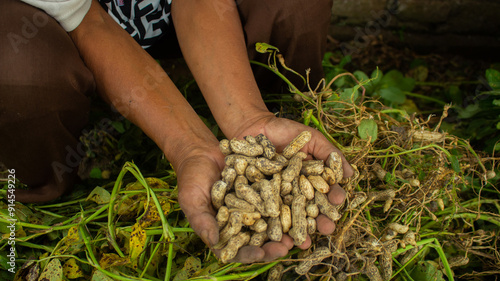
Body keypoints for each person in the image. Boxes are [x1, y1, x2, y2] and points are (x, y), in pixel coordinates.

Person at [0, 0, 353, 263]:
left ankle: (272, 102)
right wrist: (188, 146)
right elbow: (87, 22)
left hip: (176, 17)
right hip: (62, 25)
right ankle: (43, 187)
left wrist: (247, 117)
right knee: (17, 71)